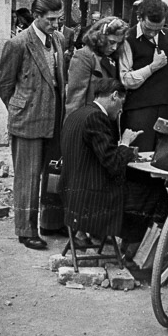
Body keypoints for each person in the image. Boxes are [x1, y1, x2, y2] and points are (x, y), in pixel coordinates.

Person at [0, 0, 66, 250]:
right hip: (28, 120)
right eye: (50, 20)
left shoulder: (58, 39)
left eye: (59, 19)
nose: (55, 24)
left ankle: (50, 222)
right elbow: (3, 83)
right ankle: (26, 230)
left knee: (53, 175)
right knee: (28, 177)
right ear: (36, 17)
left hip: (54, 118)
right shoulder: (18, 44)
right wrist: (20, 108)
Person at [60, 79, 142, 240]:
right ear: (114, 96)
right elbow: (114, 165)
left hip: (71, 194)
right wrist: (125, 143)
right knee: (147, 191)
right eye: (121, 103)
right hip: (91, 198)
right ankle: (133, 251)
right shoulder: (96, 118)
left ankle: (83, 234)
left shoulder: (78, 114)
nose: (121, 110)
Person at [118, 0, 168, 152]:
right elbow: (125, 79)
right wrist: (152, 67)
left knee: (162, 158)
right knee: (139, 158)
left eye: (158, 29)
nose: (153, 34)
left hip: (165, 106)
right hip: (139, 110)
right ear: (140, 18)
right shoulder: (128, 38)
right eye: (149, 29)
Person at [65, 16, 128, 118]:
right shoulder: (84, 56)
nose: (114, 47)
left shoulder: (113, 58)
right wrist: (73, 128)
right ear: (100, 37)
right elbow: (75, 100)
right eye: (111, 42)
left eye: (119, 43)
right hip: (88, 120)